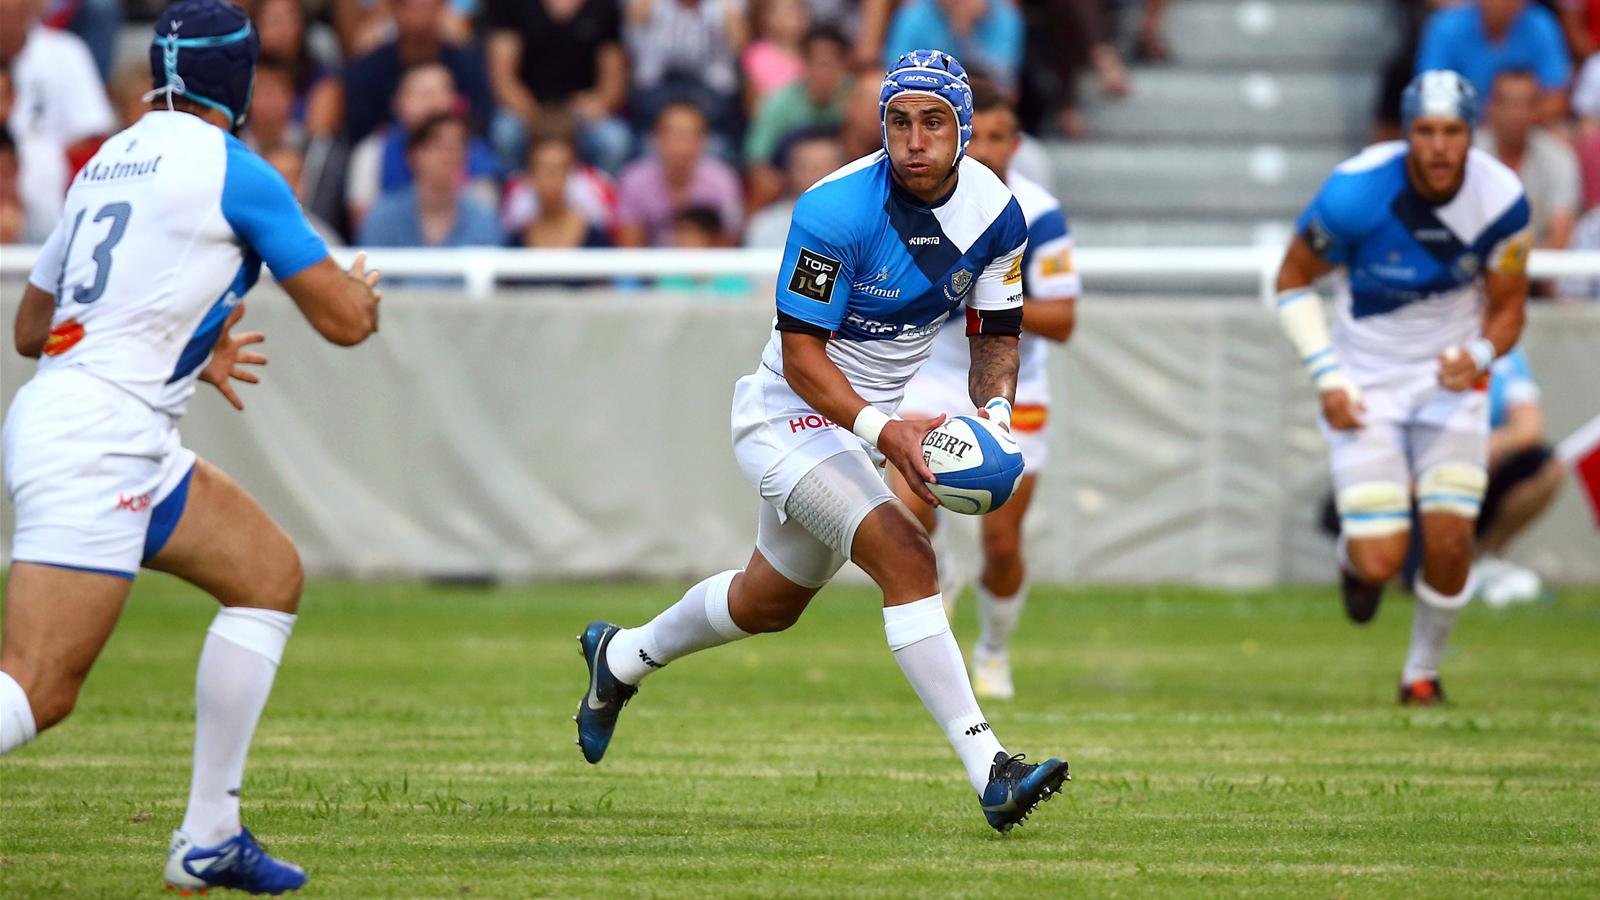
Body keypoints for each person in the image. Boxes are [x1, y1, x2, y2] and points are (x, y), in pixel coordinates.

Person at [573, 50, 1070, 833]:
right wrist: (886, 431)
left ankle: (622, 657)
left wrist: (998, 420)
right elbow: (803, 354)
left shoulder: (998, 215)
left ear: (964, 129)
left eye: (933, 123)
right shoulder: (834, 209)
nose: (914, 140)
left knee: (766, 602)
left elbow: (997, 338)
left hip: (856, 431)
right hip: (786, 415)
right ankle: (992, 769)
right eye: (899, 122)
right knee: (908, 555)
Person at [0, 2, 382, 893]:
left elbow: (29, 326)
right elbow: (340, 321)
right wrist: (363, 297)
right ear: (240, 80)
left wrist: (177, 333)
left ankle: (208, 837)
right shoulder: (234, 170)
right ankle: (205, 835)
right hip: (102, 438)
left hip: (89, 416)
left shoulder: (106, 163)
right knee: (37, 689)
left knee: (266, 575)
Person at [1274, 70, 1532, 705]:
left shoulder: (1503, 201)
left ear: (1473, 134)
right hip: (1363, 384)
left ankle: (1421, 673)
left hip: (1452, 384)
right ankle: (1352, 562)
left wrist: (1478, 353)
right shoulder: (1355, 192)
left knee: (1450, 537)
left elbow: (1509, 308)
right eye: (1426, 131)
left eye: (1452, 131)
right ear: (1406, 134)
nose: (1440, 146)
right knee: (1380, 562)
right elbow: (1291, 279)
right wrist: (1327, 376)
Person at [888, 81, 1078, 700]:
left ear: (1015, 143)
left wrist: (987, 303)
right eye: (982, 135)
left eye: (1002, 137)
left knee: (1002, 541)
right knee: (908, 502)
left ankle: (993, 647)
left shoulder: (1038, 212)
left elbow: (1064, 318)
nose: (990, 148)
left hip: (1014, 376)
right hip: (931, 374)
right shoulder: (914, 200)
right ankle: (936, 577)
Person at [1, 0, 114, 241]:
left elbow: (92, 135)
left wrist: (36, 158)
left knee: (40, 160)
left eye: (12, 10)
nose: (6, 19)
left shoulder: (66, 51)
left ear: (31, 8)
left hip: (50, 182)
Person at [483, 0, 632, 173]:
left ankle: (597, 195)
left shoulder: (604, 6)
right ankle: (515, 193)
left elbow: (613, 80)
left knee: (615, 140)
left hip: (580, 114)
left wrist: (597, 104)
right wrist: (538, 118)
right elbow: (503, 79)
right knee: (505, 133)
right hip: (527, 110)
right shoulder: (511, 5)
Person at [345, 61, 499, 228]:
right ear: (398, 103)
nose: (434, 103)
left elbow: (485, 222)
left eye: (443, 93)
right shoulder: (373, 152)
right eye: (424, 94)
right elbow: (364, 227)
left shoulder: (474, 150)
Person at [1472, 349, 1565, 604]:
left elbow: (1528, 428)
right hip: (1426, 476)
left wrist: (1487, 448)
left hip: (1482, 475)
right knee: (1411, 577)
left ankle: (1484, 556)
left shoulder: (1507, 358)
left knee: (1546, 465)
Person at [342, 0, 493, 143]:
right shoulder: (370, 67)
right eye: (412, 8)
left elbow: (481, 115)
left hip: (457, 147)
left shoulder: (466, 61)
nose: (420, 18)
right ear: (394, 10)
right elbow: (360, 123)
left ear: (441, 8)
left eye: (426, 7)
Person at [743, 25, 853, 211]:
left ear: (844, 65)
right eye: (818, 63)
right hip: (790, 183)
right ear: (805, 64)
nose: (824, 72)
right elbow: (756, 160)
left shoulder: (855, 98)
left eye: (831, 63)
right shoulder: (779, 102)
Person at [358, 112, 504, 248]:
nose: (449, 155)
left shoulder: (484, 220)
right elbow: (368, 272)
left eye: (458, 146)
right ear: (413, 155)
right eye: (439, 146)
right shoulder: (382, 219)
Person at [1415, 0, 1572, 123]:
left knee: (1562, 139)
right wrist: (1488, 119)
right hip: (1461, 125)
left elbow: (1557, 98)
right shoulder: (1446, 26)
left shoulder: (1541, 24)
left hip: (1527, 129)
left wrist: (1514, 120)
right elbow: (1430, 91)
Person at [1475, 69, 1581, 252]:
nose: (1516, 113)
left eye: (1526, 104)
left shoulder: (1559, 156)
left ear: (1538, 108)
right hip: (1470, 266)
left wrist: (1517, 270)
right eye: (1508, 103)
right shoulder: (1470, 154)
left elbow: (1561, 233)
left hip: (1538, 267)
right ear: (1489, 107)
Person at [614, 101, 743, 247]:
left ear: (704, 141)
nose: (682, 145)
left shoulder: (723, 180)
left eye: (689, 136)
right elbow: (630, 248)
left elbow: (729, 241)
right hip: (651, 266)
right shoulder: (634, 180)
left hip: (705, 266)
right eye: (674, 135)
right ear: (655, 138)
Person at [882, 0, 1023, 95]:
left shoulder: (1004, 15)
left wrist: (965, 35)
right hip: (926, 94)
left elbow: (1004, 78)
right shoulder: (914, 13)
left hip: (981, 96)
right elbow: (895, 70)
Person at [743, 130, 845, 247]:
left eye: (829, 166)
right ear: (791, 173)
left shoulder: (866, 223)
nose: (821, 175)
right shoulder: (765, 226)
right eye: (811, 168)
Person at [515, 132, 611, 250]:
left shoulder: (595, 238)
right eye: (542, 170)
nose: (549, 178)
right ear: (530, 176)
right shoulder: (516, 240)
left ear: (569, 176)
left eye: (556, 170)